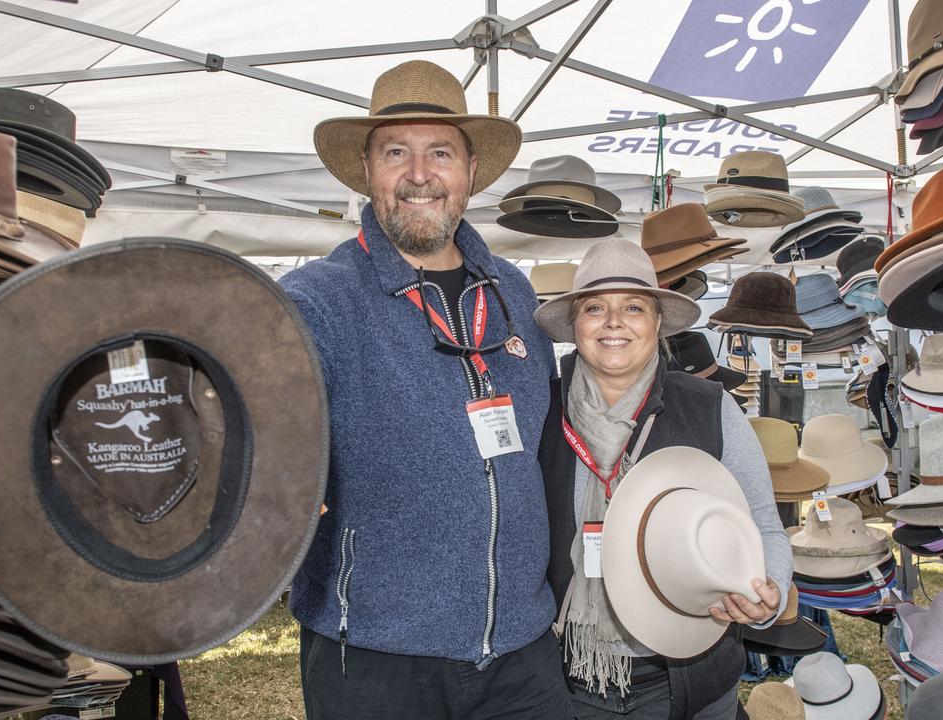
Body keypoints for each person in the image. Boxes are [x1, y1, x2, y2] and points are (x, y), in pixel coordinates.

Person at [279, 60, 572, 718]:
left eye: (440, 151)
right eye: (396, 153)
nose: (419, 174)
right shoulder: (316, 302)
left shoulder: (515, 294)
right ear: (368, 171)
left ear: (469, 172)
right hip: (378, 654)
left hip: (522, 648)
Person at [535, 238, 792, 719]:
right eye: (595, 307)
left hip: (688, 678)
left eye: (633, 307)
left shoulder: (708, 406)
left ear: (656, 323)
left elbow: (761, 520)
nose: (614, 322)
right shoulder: (540, 409)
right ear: (575, 324)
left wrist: (769, 588)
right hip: (566, 677)